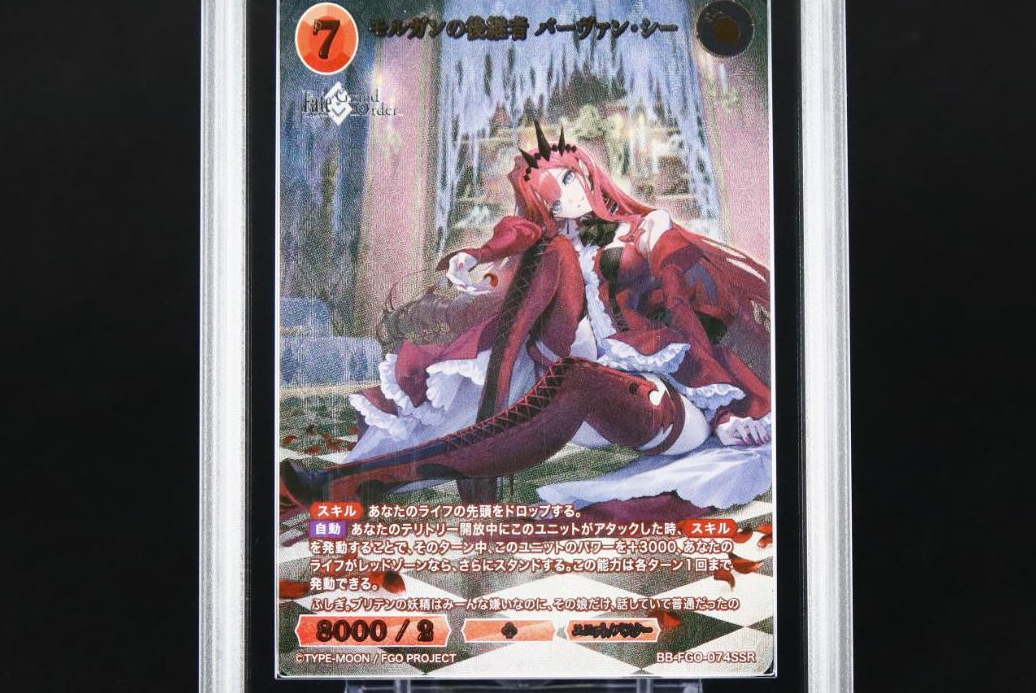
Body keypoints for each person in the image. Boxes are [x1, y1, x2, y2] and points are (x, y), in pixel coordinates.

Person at [282, 121, 772, 512]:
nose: (563, 197)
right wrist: (478, 255)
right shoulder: (555, 246)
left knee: (575, 376)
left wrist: (726, 409)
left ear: (585, 172)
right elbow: (518, 234)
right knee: (549, 273)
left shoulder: (645, 230)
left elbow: (686, 314)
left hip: (668, 402)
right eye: (547, 193)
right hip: (575, 385)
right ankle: (372, 478)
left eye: (566, 179)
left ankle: (355, 483)